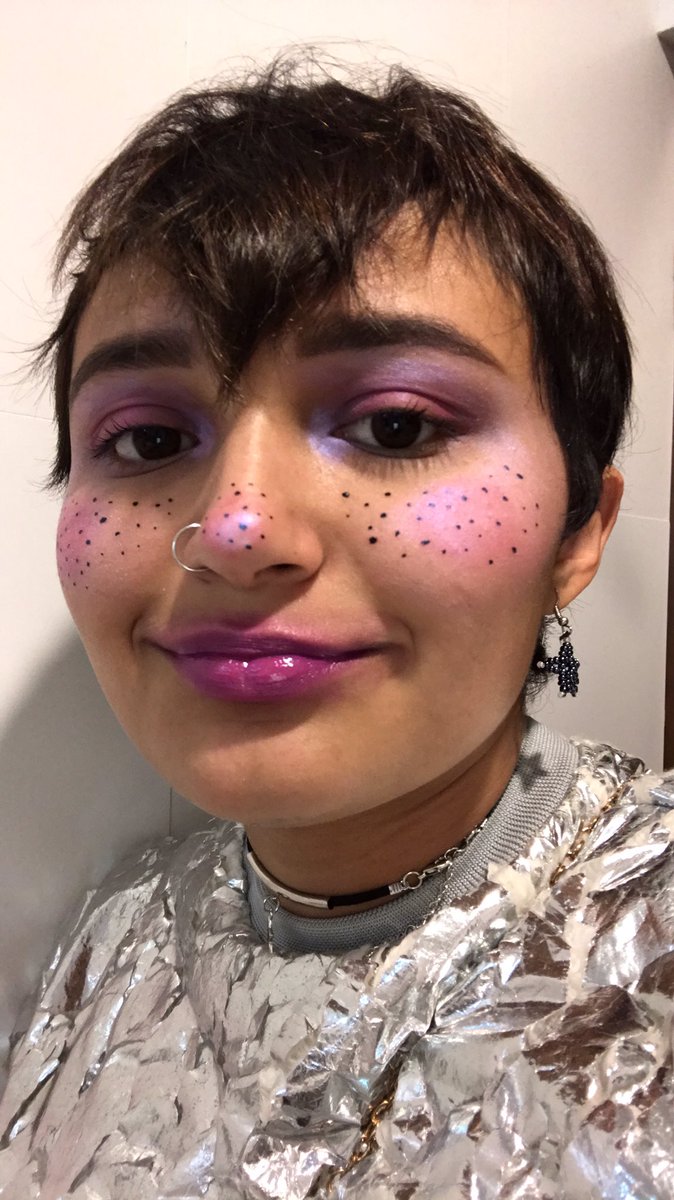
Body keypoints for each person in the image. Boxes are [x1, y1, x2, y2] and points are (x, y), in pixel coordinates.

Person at [0, 56, 672, 1200]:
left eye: (396, 426)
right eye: (150, 442)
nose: (234, 529)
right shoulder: (102, 940)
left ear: (577, 532)